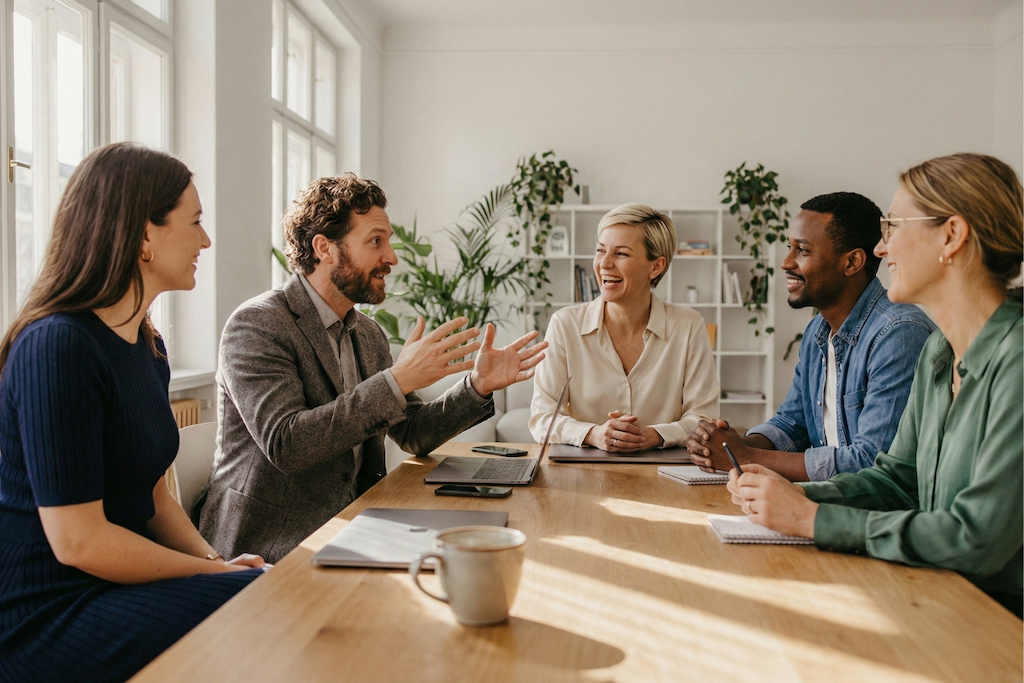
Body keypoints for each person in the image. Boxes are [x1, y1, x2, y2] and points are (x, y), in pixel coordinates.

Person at [0, 143, 266, 683]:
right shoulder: (57, 346)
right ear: (144, 236)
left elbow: (152, 497)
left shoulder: (149, 347)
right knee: (264, 606)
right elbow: (78, 541)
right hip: (44, 610)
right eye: (194, 223)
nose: (206, 240)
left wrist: (216, 565)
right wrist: (207, 578)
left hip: (111, 585)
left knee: (265, 591)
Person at [726, 153, 1023, 618]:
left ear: (952, 235)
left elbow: (976, 539)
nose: (881, 251)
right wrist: (791, 497)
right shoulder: (940, 353)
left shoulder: (1017, 358)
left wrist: (811, 518)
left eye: (893, 228)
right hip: (937, 594)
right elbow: (898, 480)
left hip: (999, 620)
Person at [199, 174, 547, 563]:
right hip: (270, 547)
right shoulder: (258, 325)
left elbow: (412, 434)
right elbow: (288, 444)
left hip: (355, 525)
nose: (392, 257)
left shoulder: (368, 334)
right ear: (324, 248)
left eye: (389, 241)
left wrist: (477, 386)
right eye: (375, 241)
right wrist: (396, 380)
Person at [687, 192, 934, 481]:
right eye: (789, 247)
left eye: (802, 251)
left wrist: (748, 458)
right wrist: (731, 447)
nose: (786, 262)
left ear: (852, 262)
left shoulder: (898, 334)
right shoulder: (818, 331)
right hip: (827, 499)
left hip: (869, 514)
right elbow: (793, 423)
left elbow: (872, 463)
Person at [529, 204, 718, 451]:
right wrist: (593, 434)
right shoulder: (565, 325)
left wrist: (654, 435)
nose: (604, 264)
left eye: (621, 254)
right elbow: (542, 417)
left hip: (664, 475)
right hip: (584, 475)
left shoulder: (688, 325)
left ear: (656, 266)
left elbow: (704, 419)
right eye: (600, 250)